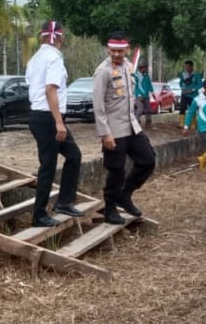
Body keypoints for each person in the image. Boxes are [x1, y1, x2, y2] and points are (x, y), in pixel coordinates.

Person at [25, 21, 85, 227]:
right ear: (60, 37)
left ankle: (64, 202)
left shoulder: (35, 58)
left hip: (40, 115)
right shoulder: (54, 58)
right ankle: (39, 215)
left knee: (74, 156)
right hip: (48, 117)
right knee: (48, 166)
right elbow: (50, 89)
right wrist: (59, 122)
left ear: (42, 36)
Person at [92, 32, 156, 225]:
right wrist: (105, 133)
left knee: (148, 160)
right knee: (116, 170)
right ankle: (110, 208)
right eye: (113, 51)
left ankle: (125, 195)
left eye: (120, 51)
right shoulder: (103, 71)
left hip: (131, 125)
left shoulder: (128, 67)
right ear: (108, 49)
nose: (117, 55)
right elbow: (98, 105)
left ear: (126, 49)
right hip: (114, 129)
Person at [134, 61, 155, 130]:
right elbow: (135, 87)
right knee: (140, 109)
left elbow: (149, 85)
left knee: (148, 110)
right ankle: (136, 123)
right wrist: (139, 95)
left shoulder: (146, 76)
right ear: (141, 68)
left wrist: (153, 93)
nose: (146, 69)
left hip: (146, 96)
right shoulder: (135, 76)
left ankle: (148, 123)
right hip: (139, 96)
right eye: (145, 67)